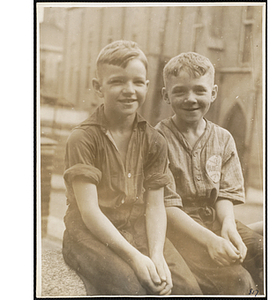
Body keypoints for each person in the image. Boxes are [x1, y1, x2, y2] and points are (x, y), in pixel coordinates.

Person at [61, 41, 202, 296]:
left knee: (188, 288)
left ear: (147, 87)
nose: (129, 90)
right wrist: (136, 258)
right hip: (90, 236)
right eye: (117, 81)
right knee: (132, 286)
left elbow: (155, 205)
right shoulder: (83, 138)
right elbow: (90, 212)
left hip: (136, 229)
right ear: (97, 87)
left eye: (138, 82)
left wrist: (156, 254)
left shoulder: (154, 140)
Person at [155, 52, 263, 295]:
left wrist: (228, 225)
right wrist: (211, 241)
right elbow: (167, 206)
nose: (190, 99)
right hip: (182, 232)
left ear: (213, 93)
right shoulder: (158, 140)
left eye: (199, 90)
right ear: (165, 95)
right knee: (237, 280)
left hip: (216, 221)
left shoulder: (223, 139)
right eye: (180, 91)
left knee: (264, 253)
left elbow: (225, 193)